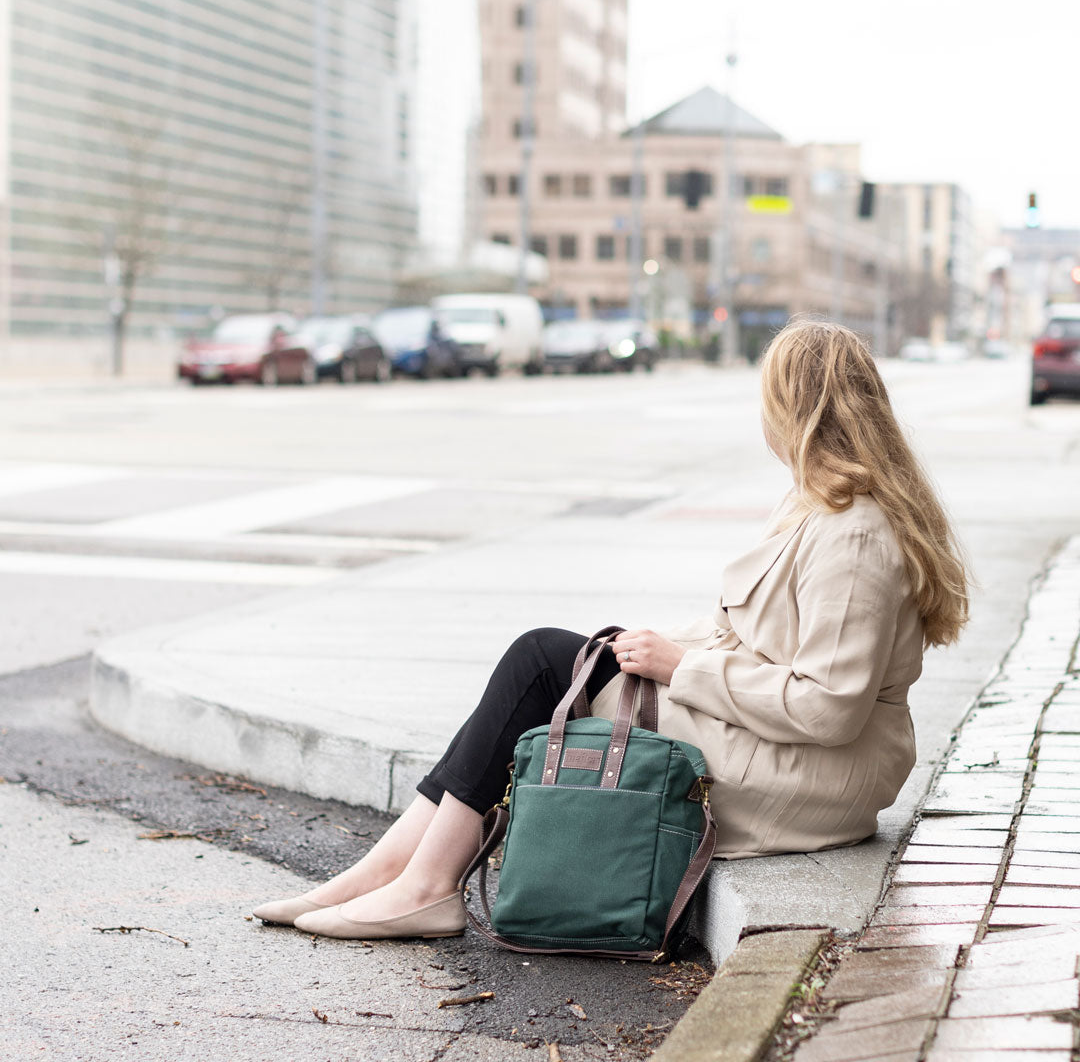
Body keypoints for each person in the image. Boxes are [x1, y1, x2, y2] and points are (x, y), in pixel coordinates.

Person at [252, 319, 970, 940]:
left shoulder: (853, 533)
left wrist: (678, 667)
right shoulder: (822, 505)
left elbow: (828, 707)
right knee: (553, 659)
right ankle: (391, 874)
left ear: (796, 408)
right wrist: (652, 648)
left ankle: (418, 883)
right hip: (770, 740)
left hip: (811, 773)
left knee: (540, 661)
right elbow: (757, 638)